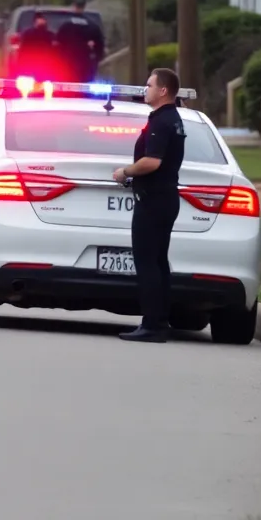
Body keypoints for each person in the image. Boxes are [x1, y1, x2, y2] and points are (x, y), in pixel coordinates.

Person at [112, 68, 188, 343]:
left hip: (154, 200)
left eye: (149, 85)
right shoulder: (174, 118)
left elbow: (152, 161)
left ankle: (152, 325)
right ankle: (159, 321)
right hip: (165, 199)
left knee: (147, 262)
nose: (146, 90)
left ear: (163, 90)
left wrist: (125, 172)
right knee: (158, 261)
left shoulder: (161, 121)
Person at [56, 0, 106, 82]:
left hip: (67, 66)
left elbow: (57, 44)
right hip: (86, 67)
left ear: (74, 5)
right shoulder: (92, 26)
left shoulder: (65, 26)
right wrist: (95, 60)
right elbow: (100, 47)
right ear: (84, 6)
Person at [14, 12, 57, 77]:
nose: (41, 21)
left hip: (44, 67)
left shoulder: (50, 35)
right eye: (40, 19)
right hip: (31, 65)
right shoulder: (28, 34)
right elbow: (22, 51)